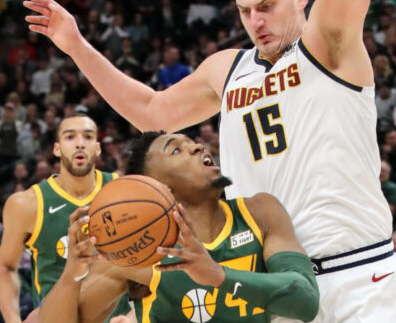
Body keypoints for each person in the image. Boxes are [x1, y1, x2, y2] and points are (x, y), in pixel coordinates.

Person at [24, 0, 396, 319]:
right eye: (244, 11)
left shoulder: (327, 45)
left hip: (357, 271)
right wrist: (77, 47)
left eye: (265, 6)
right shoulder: (228, 68)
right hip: (269, 279)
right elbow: (152, 113)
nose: (255, 22)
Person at [35, 132, 319, 323]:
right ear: (159, 188)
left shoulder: (259, 213)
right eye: (176, 150)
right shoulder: (136, 257)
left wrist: (219, 276)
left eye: (191, 142)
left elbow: (305, 300)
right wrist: (71, 276)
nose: (197, 146)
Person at [0, 114, 129, 322]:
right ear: (57, 148)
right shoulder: (27, 204)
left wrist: (132, 315)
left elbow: (148, 262)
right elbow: (5, 266)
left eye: (88, 136)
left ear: (98, 148)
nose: (80, 144)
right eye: (70, 137)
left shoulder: (125, 192)